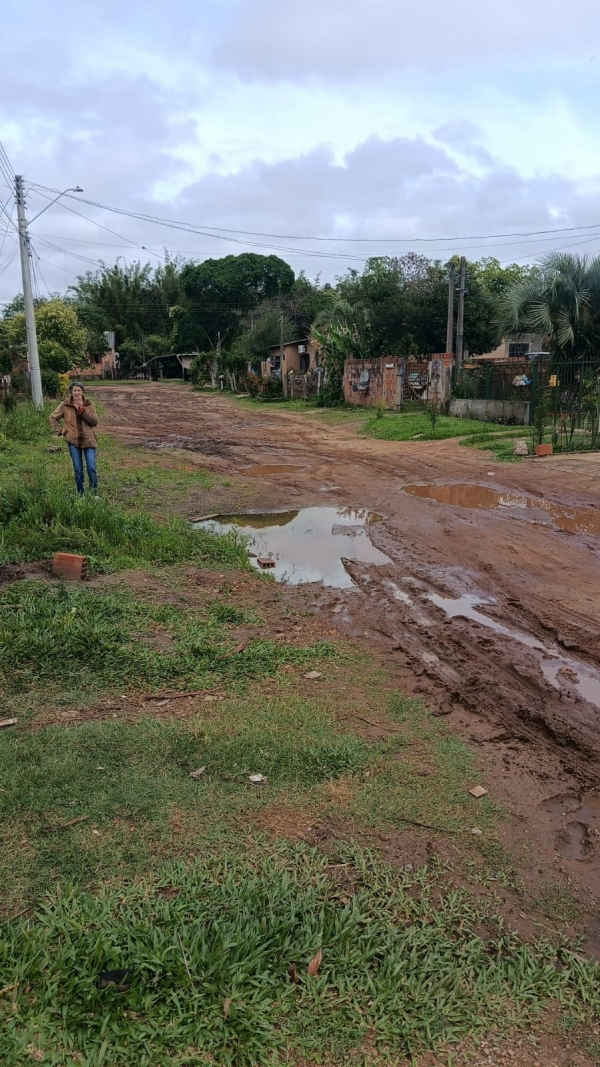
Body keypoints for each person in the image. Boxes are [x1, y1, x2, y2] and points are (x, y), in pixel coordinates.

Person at [49, 381, 99, 496]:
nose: (77, 393)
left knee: (91, 468)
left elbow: (94, 422)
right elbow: (53, 417)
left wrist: (82, 410)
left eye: (79, 390)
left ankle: (94, 492)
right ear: (71, 392)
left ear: (83, 392)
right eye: (74, 390)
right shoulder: (65, 404)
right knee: (78, 469)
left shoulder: (89, 404)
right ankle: (80, 493)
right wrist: (60, 431)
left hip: (88, 440)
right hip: (73, 441)